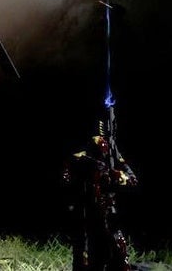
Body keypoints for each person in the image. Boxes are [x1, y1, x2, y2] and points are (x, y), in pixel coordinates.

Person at [63, 113, 137, 271]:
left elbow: (130, 177)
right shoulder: (80, 156)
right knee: (86, 260)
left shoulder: (112, 151)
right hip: (87, 217)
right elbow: (67, 180)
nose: (100, 142)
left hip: (109, 216)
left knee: (119, 257)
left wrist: (118, 176)